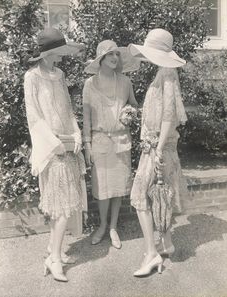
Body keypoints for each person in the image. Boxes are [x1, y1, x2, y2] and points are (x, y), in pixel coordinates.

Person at [24, 28, 87, 282]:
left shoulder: (59, 74)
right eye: (59, 51)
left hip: (68, 146)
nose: (63, 55)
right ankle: (54, 260)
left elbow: (67, 109)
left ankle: (53, 248)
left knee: (65, 206)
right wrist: (54, 143)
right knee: (60, 209)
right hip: (52, 149)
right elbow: (34, 116)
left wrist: (77, 133)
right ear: (49, 53)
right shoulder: (32, 77)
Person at [129, 28, 188, 277]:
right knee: (159, 194)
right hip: (157, 145)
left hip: (158, 146)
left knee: (141, 196)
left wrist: (159, 149)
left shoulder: (167, 73)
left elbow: (168, 117)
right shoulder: (164, 72)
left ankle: (152, 253)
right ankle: (167, 243)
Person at [83, 40, 140, 249]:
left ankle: (114, 227)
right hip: (99, 142)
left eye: (117, 54)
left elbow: (134, 106)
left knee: (118, 187)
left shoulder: (125, 82)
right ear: (101, 59)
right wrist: (87, 145)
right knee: (102, 188)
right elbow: (86, 118)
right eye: (110, 55)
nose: (115, 58)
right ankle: (102, 226)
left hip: (121, 141)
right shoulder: (90, 84)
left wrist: (130, 114)